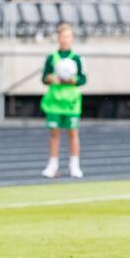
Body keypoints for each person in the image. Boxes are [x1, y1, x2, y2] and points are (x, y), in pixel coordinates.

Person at [40, 24, 86, 179]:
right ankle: (52, 165)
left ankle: (75, 165)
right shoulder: (52, 58)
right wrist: (51, 78)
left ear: (72, 38)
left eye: (68, 36)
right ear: (58, 38)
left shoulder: (77, 58)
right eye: (62, 36)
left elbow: (83, 79)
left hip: (71, 101)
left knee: (73, 133)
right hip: (55, 101)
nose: (65, 40)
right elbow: (44, 78)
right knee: (54, 133)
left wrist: (74, 80)